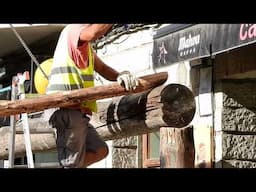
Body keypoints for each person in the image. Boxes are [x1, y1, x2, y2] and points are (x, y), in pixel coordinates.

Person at [44, 24, 138, 168]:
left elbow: (103, 68)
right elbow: (94, 32)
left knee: (100, 150)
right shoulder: (74, 31)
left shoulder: (85, 47)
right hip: (66, 109)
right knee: (71, 163)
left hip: (76, 111)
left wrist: (120, 75)